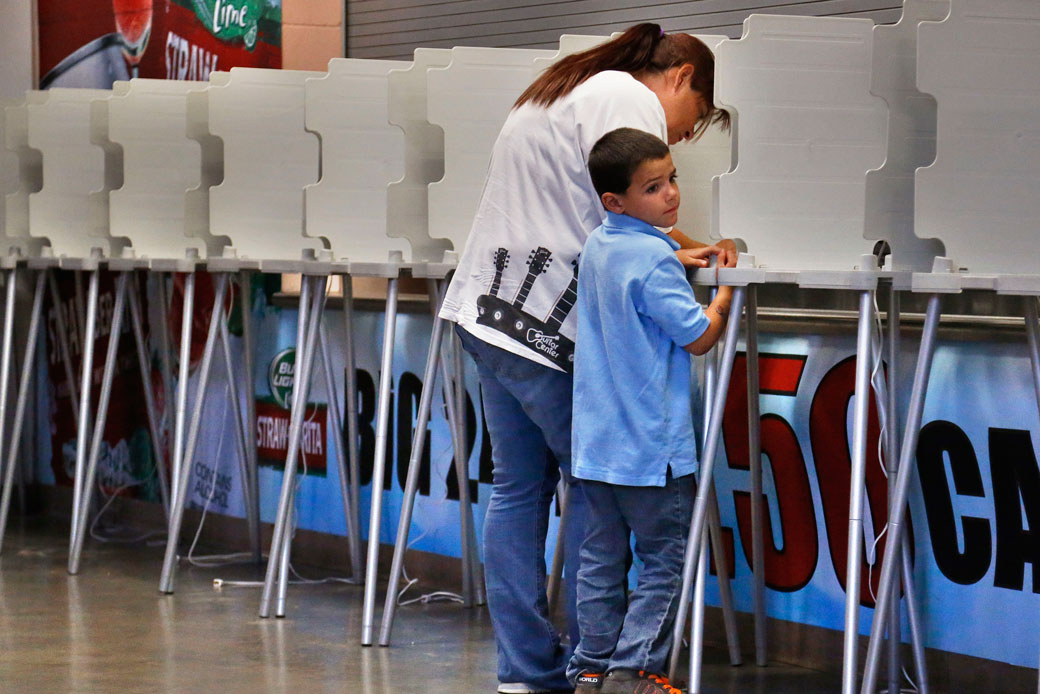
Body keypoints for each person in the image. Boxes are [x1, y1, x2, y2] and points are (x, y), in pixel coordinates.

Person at [438, 23, 733, 694]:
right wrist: (685, 253)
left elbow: (604, 209)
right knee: (600, 500)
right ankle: (605, 667)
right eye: (697, 117)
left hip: (487, 310)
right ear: (682, 76)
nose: (684, 135)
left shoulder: (566, 85)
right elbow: (622, 201)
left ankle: (528, 669)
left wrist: (676, 246)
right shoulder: (629, 99)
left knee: (517, 492)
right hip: (545, 326)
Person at [566, 128, 735, 694]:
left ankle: (589, 668)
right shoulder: (656, 264)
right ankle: (634, 670)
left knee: (599, 561)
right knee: (664, 559)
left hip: (597, 447)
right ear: (615, 201)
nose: (671, 196)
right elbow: (697, 337)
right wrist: (724, 295)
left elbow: (636, 266)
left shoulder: (599, 245)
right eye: (653, 188)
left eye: (672, 180)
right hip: (652, 453)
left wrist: (672, 251)